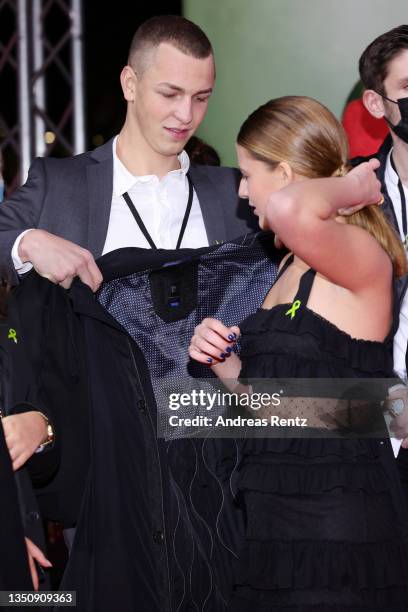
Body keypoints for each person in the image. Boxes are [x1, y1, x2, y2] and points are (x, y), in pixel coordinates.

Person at [0, 14, 258, 602]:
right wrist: (27, 242)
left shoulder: (235, 193)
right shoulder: (61, 183)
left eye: (201, 98)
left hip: (220, 468)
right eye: (170, 93)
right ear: (129, 83)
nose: (185, 115)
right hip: (111, 476)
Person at [189, 96, 408, 609]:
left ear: (284, 173)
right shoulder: (291, 268)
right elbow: (274, 410)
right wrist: (224, 364)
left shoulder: (355, 250)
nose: (242, 193)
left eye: (247, 175)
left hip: (336, 526)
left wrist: (353, 183)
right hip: (274, 524)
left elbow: (291, 207)